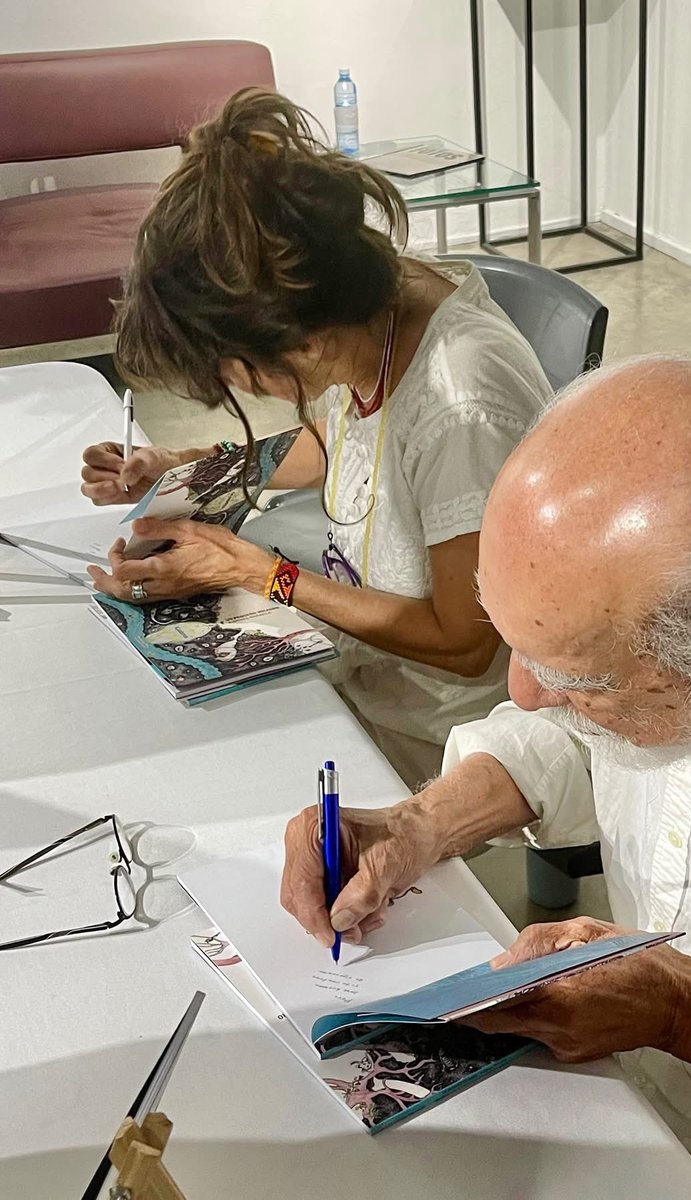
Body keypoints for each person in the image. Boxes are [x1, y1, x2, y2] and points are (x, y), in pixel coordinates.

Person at [281, 355, 691, 1199]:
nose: (521, 693)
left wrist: (685, 1015)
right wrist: (417, 826)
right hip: (626, 1092)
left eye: (576, 682)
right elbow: (592, 732)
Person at [80, 88, 552, 788]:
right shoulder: (363, 305)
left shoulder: (462, 408)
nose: (241, 391)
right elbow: (340, 442)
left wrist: (257, 573)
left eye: (235, 374)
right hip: (364, 673)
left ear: (303, 344)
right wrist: (184, 466)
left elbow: (464, 646)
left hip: (443, 740)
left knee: (197, 774)